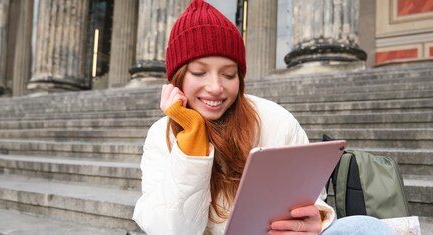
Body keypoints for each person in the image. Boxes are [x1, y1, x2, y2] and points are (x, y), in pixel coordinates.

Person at [132, 1, 395, 234]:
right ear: (177, 78)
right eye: (199, 73)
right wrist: (192, 141)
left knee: (367, 227)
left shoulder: (274, 119)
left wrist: (315, 220)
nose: (215, 87)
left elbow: (312, 197)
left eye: (228, 74)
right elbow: (174, 230)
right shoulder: (160, 135)